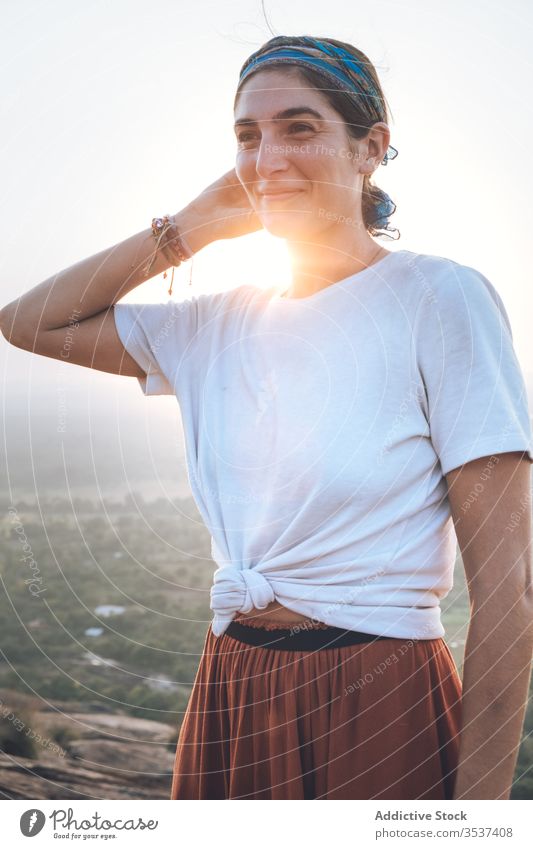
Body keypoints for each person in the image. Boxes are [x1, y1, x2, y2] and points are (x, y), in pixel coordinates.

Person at [1, 34, 532, 801]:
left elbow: (508, 592)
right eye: (247, 136)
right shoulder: (212, 326)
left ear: (369, 148)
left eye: (300, 127)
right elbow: (28, 321)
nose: (267, 156)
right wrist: (188, 226)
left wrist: (476, 818)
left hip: (373, 698)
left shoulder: (439, 300)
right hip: (230, 685)